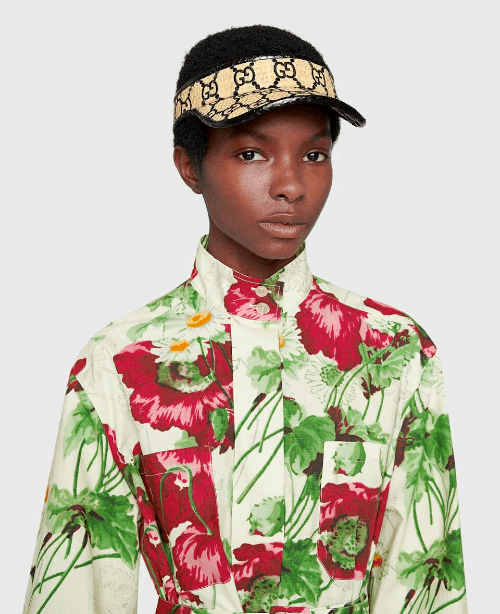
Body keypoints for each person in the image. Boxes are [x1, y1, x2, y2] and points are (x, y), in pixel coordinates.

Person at [23, 24, 468, 614]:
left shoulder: (392, 349)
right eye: (251, 153)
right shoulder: (119, 362)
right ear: (190, 166)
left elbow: (425, 578)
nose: (291, 185)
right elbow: (78, 589)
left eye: (314, 155)